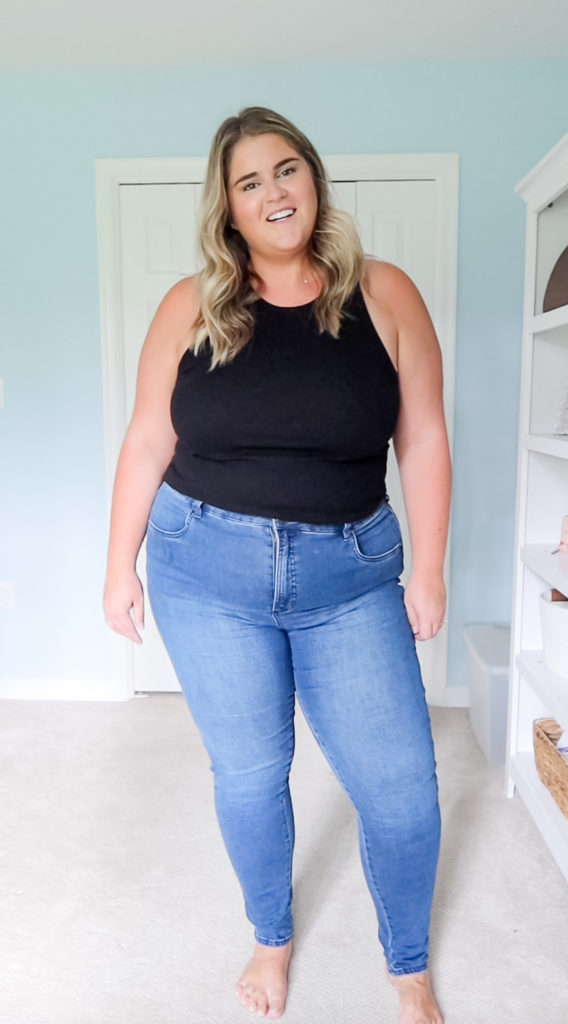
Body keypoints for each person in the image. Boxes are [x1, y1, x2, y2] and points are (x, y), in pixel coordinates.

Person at [103, 106, 451, 1024]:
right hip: (203, 570)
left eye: (287, 170)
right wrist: (118, 565)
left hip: (351, 572)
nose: (273, 192)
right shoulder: (190, 305)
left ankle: (407, 963)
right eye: (249, 181)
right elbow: (147, 441)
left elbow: (423, 441)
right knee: (252, 776)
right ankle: (271, 936)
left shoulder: (384, 293)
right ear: (227, 206)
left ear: (315, 181)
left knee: (404, 791)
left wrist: (430, 567)